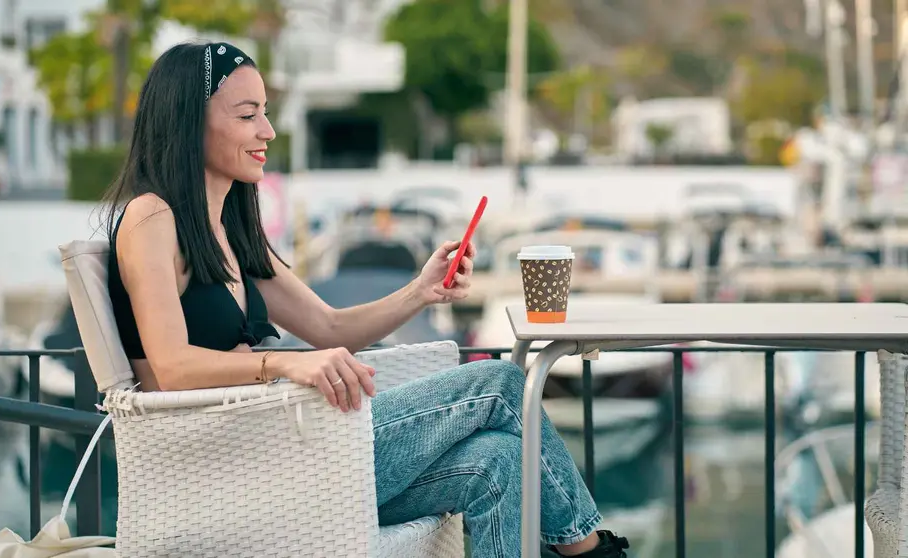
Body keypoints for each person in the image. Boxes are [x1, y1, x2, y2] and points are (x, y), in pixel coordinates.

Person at [101, 41, 630, 558]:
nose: (268, 130)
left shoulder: (232, 230)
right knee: (500, 383)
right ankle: (590, 552)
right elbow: (169, 367)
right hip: (238, 464)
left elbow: (329, 328)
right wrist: (289, 366)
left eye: (265, 112)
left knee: (499, 461)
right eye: (247, 115)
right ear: (190, 121)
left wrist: (420, 292)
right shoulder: (153, 218)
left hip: (292, 441)